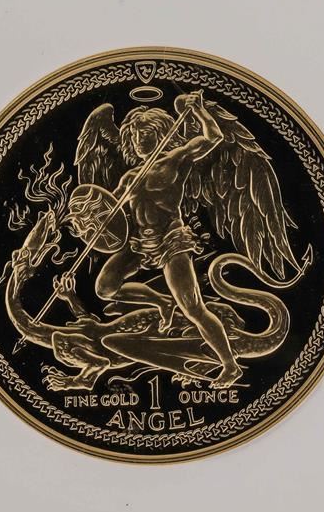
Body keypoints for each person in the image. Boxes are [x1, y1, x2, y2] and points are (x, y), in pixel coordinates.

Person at [94, 92, 242, 388]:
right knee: (105, 288)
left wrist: (199, 110)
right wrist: (91, 224)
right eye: (135, 135)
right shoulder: (130, 177)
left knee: (192, 307)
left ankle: (230, 365)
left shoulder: (176, 159)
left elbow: (213, 137)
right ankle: (161, 302)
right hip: (139, 242)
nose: (139, 140)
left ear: (159, 133)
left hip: (171, 240)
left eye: (145, 133)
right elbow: (111, 216)